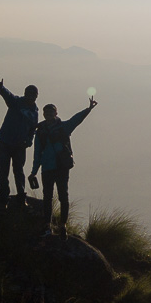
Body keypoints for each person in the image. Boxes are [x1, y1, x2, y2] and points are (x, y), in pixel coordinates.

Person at [30, 95, 98, 239]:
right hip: (48, 168)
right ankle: (48, 225)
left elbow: (76, 120)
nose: (48, 115)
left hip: (61, 168)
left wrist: (88, 109)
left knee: (63, 196)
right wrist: (33, 172)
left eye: (51, 113)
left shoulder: (63, 128)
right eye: (46, 113)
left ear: (56, 113)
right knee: (47, 197)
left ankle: (62, 226)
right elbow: (37, 153)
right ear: (44, 114)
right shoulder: (40, 131)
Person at [0, 79, 40, 208]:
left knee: (19, 172)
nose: (31, 96)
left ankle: (21, 198)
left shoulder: (35, 112)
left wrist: (28, 142)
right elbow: (8, 95)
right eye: (29, 94)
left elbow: (32, 129)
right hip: (5, 142)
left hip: (20, 146)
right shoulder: (16, 102)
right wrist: (1, 88)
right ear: (25, 94)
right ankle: (4, 199)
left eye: (33, 94)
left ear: (36, 96)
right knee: (3, 172)